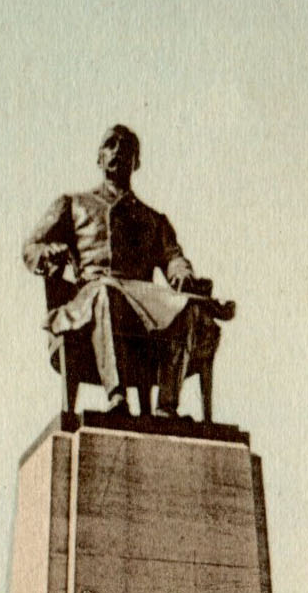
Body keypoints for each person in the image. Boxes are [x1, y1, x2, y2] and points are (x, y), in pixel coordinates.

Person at [23, 124, 231, 416]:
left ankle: (166, 410)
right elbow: (31, 247)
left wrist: (182, 274)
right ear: (99, 158)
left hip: (142, 304)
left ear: (137, 161)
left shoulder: (153, 219)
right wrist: (47, 253)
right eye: (111, 144)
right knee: (105, 293)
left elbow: (173, 257)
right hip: (91, 299)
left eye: (127, 146)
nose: (118, 150)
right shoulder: (73, 205)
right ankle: (117, 397)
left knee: (185, 306)